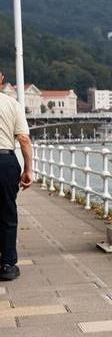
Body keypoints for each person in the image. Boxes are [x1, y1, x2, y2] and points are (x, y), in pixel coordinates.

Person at [0, 75, 33, 281]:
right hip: (5, 162)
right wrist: (28, 170)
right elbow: (24, 139)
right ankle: (7, 264)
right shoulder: (12, 104)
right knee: (7, 214)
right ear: (1, 79)